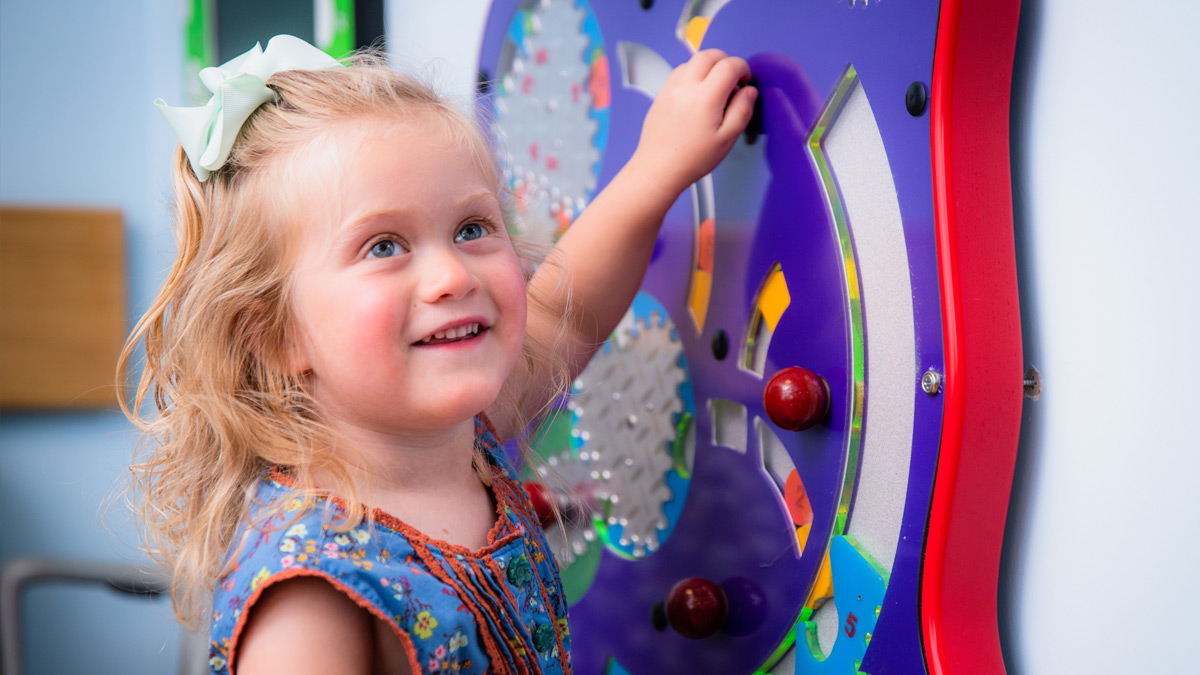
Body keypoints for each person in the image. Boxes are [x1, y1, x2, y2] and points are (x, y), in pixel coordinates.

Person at [122, 34, 755, 675]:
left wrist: (659, 165)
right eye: (383, 246)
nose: (453, 275)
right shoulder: (310, 595)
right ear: (279, 336)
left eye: (472, 229)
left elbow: (564, 315)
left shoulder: (461, 439)